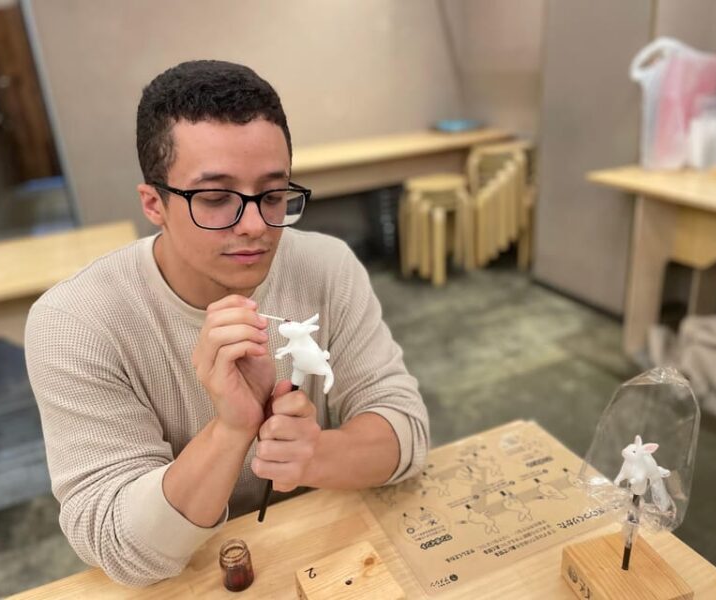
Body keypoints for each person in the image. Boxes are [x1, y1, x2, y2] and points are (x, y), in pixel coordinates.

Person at [25, 60, 429, 587]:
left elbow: (406, 431)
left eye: (274, 194)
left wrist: (313, 454)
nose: (257, 225)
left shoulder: (327, 267)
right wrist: (232, 429)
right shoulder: (75, 322)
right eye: (215, 199)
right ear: (154, 204)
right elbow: (118, 545)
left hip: (329, 552)